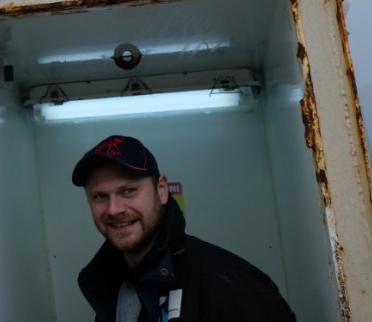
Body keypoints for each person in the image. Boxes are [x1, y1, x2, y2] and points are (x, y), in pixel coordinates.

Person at [71, 135, 297, 321]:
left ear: (161, 190)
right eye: (100, 196)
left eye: (128, 191)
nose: (113, 209)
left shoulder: (224, 283)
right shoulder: (112, 282)